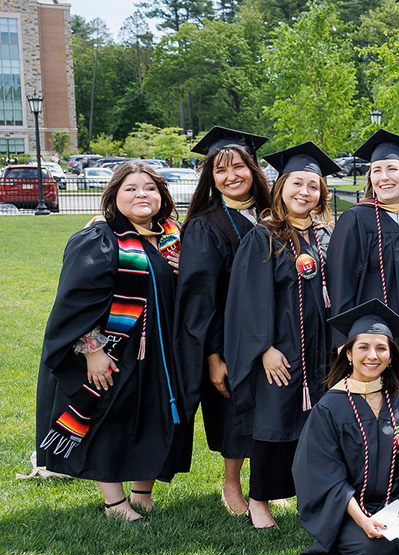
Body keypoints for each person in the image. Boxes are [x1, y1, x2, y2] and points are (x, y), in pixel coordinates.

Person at [36, 163, 189, 523]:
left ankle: (141, 493)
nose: (141, 195)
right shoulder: (101, 237)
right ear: (115, 196)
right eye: (131, 189)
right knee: (111, 419)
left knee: (154, 417)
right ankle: (114, 503)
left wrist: (186, 269)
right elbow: (75, 301)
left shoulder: (172, 239)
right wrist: (93, 349)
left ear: (162, 196)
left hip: (161, 352)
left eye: (149, 188)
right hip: (115, 349)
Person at [224, 143, 339, 530]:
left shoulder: (326, 235)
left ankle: (306, 493)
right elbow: (247, 300)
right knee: (273, 422)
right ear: (281, 186)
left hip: (320, 348)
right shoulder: (264, 235)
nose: (304, 192)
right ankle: (259, 500)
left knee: (315, 424)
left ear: (322, 193)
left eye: (313, 186)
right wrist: (264, 349)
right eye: (297, 184)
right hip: (282, 348)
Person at [293, 300, 399, 555]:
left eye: (381, 348)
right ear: (349, 354)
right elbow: (323, 474)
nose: (372, 356)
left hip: (396, 498)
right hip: (349, 507)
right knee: (371, 549)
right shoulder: (330, 407)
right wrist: (362, 519)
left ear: (391, 356)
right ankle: (397, 546)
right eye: (363, 347)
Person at [176, 127, 271, 517]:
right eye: (220, 170)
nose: (231, 176)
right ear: (210, 178)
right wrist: (214, 355)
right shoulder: (206, 224)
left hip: (272, 333)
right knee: (235, 412)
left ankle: (265, 482)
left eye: (239, 166)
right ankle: (232, 485)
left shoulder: (272, 215)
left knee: (272, 409)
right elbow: (201, 298)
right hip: (229, 338)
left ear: (253, 168)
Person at [328, 129, 399, 372]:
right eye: (377, 170)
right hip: (370, 341)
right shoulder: (356, 219)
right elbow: (340, 284)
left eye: (392, 169)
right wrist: (343, 340)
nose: (384, 177)